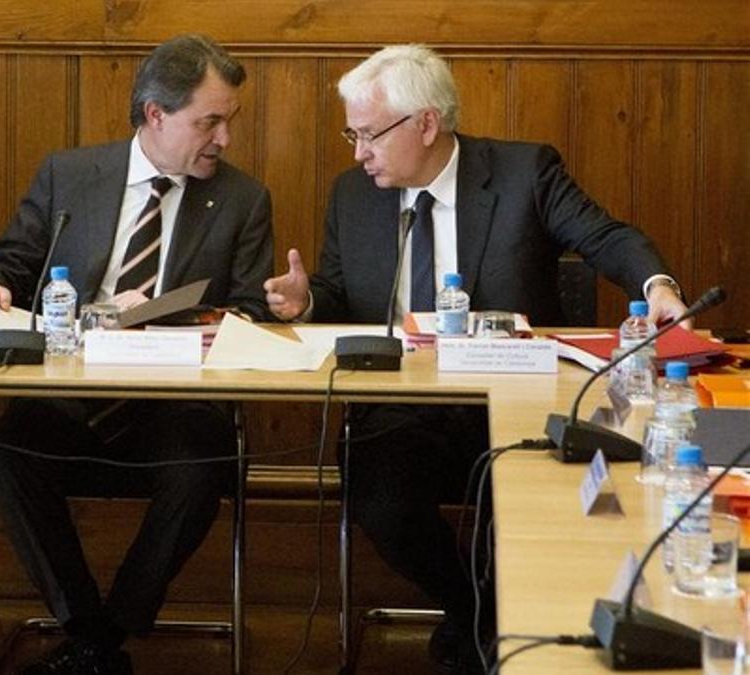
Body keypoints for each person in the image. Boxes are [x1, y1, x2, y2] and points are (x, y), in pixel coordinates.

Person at [263, 44, 687, 674]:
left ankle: (495, 631)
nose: (358, 153)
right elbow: (340, 294)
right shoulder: (353, 195)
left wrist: (656, 285)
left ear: (426, 124)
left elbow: (605, 237)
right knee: (379, 499)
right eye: (352, 135)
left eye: (369, 134)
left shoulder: (523, 172)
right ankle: (480, 614)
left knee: (516, 504)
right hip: (402, 408)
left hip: (516, 407)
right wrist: (304, 302)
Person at [0, 34, 273, 675]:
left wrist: (199, 317)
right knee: (6, 452)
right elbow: (11, 260)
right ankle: (84, 623)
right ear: (156, 114)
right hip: (72, 387)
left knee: (200, 471)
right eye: (208, 122)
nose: (224, 139)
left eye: (229, 121)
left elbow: (252, 312)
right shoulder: (71, 174)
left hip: (175, 401)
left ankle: (105, 637)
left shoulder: (242, 198)